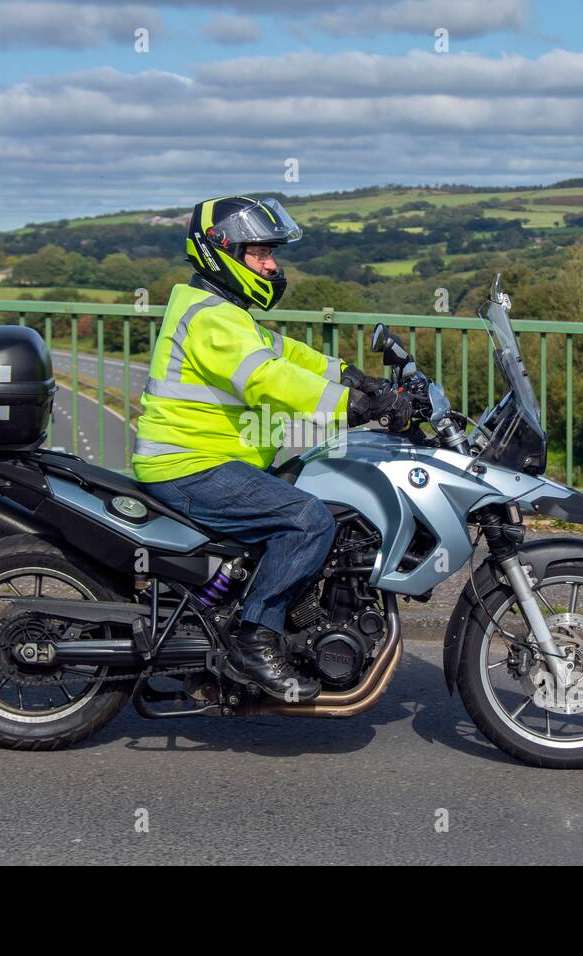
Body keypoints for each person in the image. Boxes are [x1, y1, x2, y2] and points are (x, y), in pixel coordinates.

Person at [132, 195, 412, 700]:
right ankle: (253, 639)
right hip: (191, 467)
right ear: (222, 250)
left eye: (271, 254)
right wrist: (356, 406)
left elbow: (288, 355)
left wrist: (355, 377)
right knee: (309, 520)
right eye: (259, 253)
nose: (271, 264)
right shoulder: (210, 319)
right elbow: (268, 380)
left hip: (212, 462)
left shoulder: (224, 312)